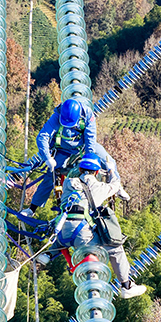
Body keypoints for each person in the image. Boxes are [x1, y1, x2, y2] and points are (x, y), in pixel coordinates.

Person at [54, 152, 147, 299]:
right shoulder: (100, 187)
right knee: (116, 250)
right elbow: (116, 185)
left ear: (80, 169)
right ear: (97, 172)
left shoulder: (68, 183)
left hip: (61, 231)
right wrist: (111, 171)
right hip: (82, 235)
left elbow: (72, 174)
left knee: (58, 239)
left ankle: (48, 254)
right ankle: (126, 285)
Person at [26, 97, 123, 213]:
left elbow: (90, 140)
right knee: (51, 174)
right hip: (64, 149)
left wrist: (89, 162)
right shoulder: (57, 116)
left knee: (107, 160)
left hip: (84, 147)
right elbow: (42, 137)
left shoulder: (87, 116)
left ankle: (117, 186)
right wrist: (47, 158)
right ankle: (32, 208)